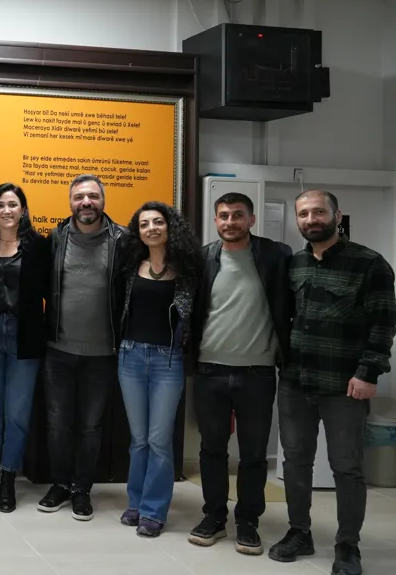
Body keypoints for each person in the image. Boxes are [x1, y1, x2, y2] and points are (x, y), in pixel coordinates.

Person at [269, 190, 394, 575]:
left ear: (337, 215)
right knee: (295, 462)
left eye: (319, 212)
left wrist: (368, 373)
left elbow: (383, 325)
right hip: (296, 381)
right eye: (303, 214)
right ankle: (299, 532)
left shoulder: (370, 264)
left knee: (347, 467)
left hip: (345, 385)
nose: (311, 219)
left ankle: (347, 545)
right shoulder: (295, 264)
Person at [188, 193, 291, 554]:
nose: (230, 221)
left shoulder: (276, 256)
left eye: (237, 215)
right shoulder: (204, 258)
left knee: (253, 453)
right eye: (223, 216)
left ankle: (248, 522)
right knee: (212, 449)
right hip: (210, 370)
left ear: (251, 219)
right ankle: (214, 517)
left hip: (257, 373)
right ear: (215, 220)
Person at [39, 174, 127, 520]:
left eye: (92, 196)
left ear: (103, 200)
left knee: (91, 426)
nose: (86, 202)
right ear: (70, 202)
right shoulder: (56, 237)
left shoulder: (122, 240)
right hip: (58, 349)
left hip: (103, 353)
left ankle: (81, 489)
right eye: (79, 197)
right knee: (57, 424)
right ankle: (60, 484)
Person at [116, 201, 200, 538]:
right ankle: (135, 503)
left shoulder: (187, 271)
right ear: (138, 232)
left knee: (159, 439)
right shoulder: (130, 267)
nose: (151, 228)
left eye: (158, 222)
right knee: (138, 440)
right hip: (130, 357)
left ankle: (154, 510)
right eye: (144, 224)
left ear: (169, 227)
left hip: (168, 361)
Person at [0, 184, 49, 512]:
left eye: (13, 204)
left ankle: (7, 481)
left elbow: (50, 292)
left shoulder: (38, 246)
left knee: (17, 416)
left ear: (23, 210)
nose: (7, 210)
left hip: (24, 339)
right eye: (0, 205)